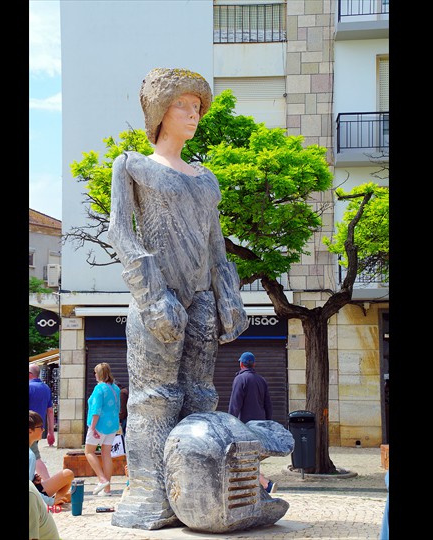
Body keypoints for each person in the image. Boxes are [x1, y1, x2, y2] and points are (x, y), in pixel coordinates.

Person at [109, 67, 249, 530]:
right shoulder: (133, 165)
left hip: (201, 298)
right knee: (154, 398)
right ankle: (150, 495)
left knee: (200, 395)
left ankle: (196, 495)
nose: (193, 115)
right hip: (158, 296)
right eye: (182, 106)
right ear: (159, 112)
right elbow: (120, 232)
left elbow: (215, 243)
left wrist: (228, 296)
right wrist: (151, 295)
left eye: (197, 107)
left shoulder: (206, 179)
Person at [228, 351, 276, 493]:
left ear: (241, 364)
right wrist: (268, 424)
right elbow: (268, 405)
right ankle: (256, 485)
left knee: (243, 458)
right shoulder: (261, 380)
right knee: (252, 457)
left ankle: (265, 484)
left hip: (245, 426)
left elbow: (235, 404)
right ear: (254, 364)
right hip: (260, 425)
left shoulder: (240, 379)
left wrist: (230, 424)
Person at [84, 362, 121, 497]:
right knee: (106, 454)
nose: (94, 375)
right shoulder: (115, 388)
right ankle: (107, 489)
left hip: (99, 425)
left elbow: (96, 410)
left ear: (98, 374)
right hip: (112, 425)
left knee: (89, 451)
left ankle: (102, 479)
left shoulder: (99, 388)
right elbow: (118, 407)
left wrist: (92, 427)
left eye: (95, 372)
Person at [29, 410, 74, 508]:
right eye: (40, 427)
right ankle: (55, 500)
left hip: (35, 490)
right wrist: (51, 501)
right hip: (33, 495)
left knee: (68, 474)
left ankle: (58, 499)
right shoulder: (30, 455)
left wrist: (33, 479)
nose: (43, 430)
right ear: (30, 431)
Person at [29, 364, 55, 462]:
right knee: (33, 455)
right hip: (38, 428)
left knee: (34, 457)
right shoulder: (46, 388)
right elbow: (50, 411)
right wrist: (51, 432)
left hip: (29, 427)